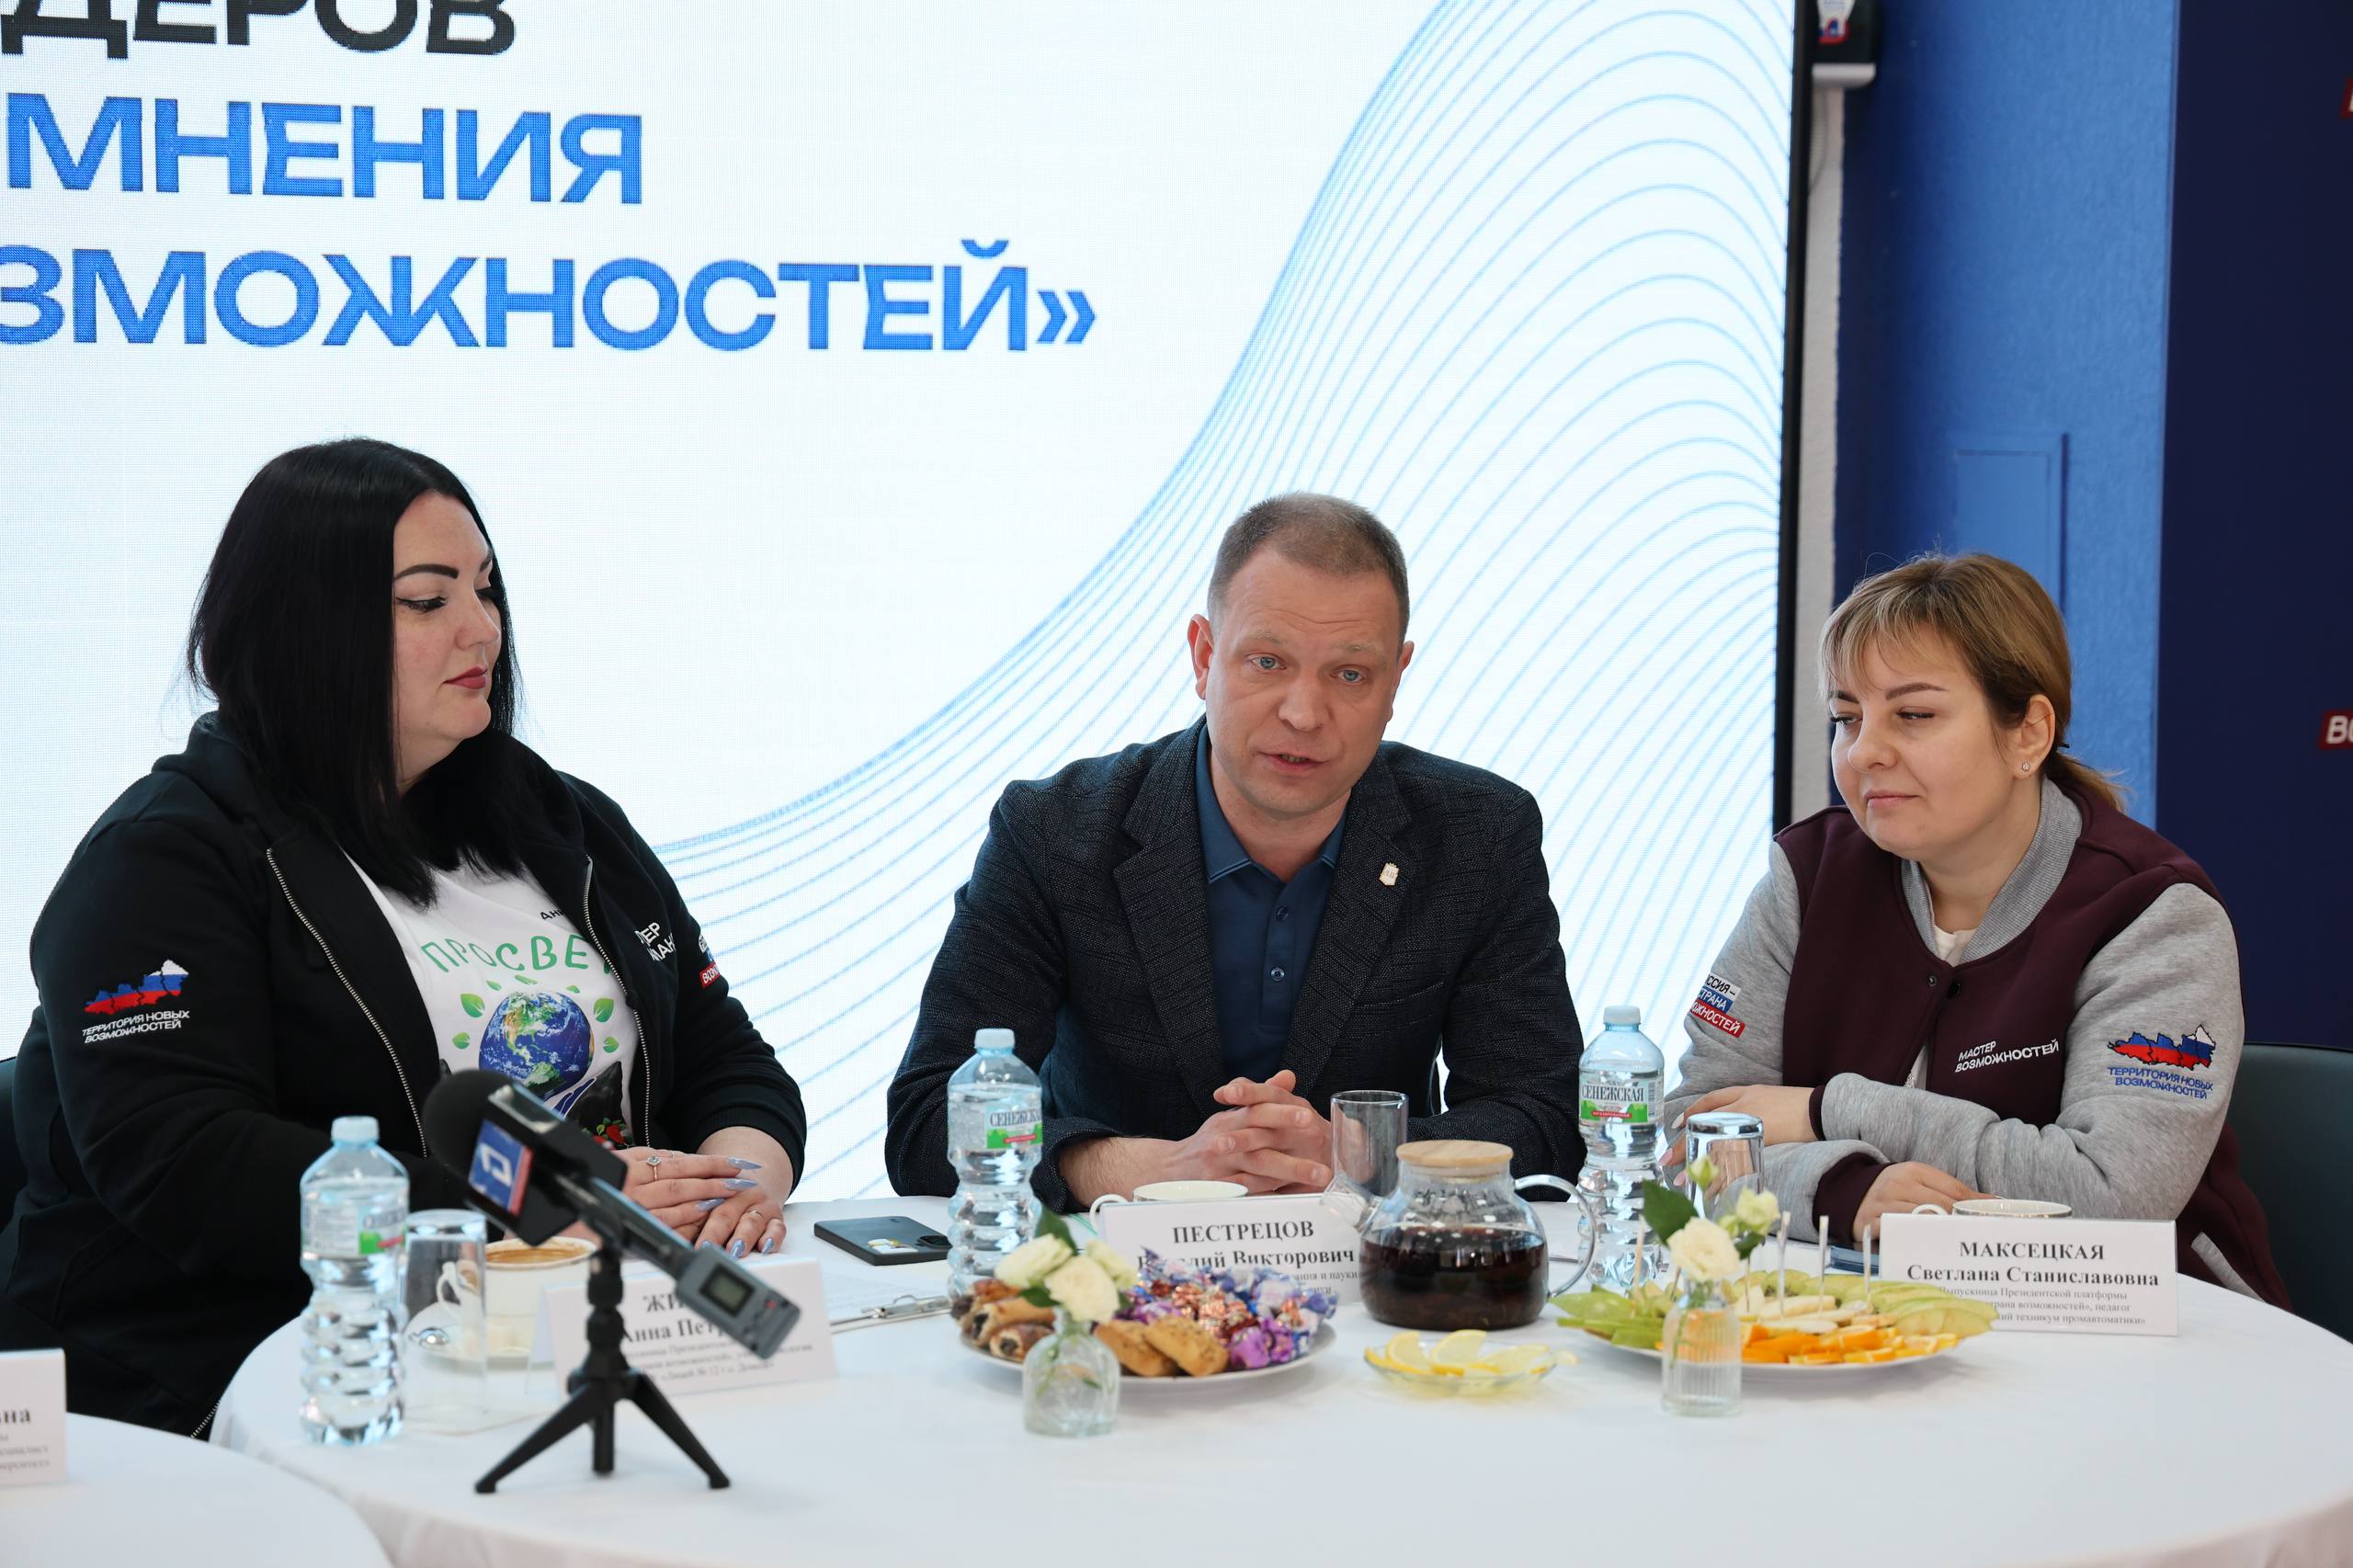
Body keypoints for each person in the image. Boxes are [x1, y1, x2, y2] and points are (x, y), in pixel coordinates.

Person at [0, 439, 808, 1435]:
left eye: (486, 588)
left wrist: (738, 1187)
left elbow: (725, 1054)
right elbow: (186, 1163)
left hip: (578, 1334)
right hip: (246, 1381)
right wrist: (542, 1202)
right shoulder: (162, 856)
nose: (483, 628)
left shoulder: (568, 822)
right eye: (427, 601)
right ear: (302, 630)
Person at [884, 494, 1586, 1210]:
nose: (1303, 714)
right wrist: (1151, 1169)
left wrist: (1356, 1155)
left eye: (1350, 674)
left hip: (1371, 1260)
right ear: (1204, 655)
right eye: (1267, 661)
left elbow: (1546, 1117)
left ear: (1396, 678)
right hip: (1111, 1260)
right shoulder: (1055, 832)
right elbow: (928, 1121)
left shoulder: (1478, 834)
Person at [1666, 553, 2283, 1302]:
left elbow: (2110, 1196)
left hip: (2151, 1328)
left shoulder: (2151, 910)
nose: (1864, 752)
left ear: (2028, 734)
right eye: (1847, 718)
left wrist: (1828, 1110)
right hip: (1871, 1313)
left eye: (1914, 715)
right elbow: (1692, 1135)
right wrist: (1840, 1189)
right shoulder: (1806, 876)